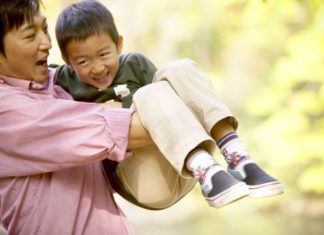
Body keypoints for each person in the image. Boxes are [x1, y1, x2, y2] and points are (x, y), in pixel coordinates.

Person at [53, 0, 284, 210]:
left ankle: (237, 157)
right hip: (137, 177)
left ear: (119, 44)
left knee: (178, 68)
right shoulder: (62, 80)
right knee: (148, 94)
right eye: (83, 61)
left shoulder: (135, 65)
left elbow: (170, 104)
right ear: (68, 62)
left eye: (104, 54)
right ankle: (204, 166)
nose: (97, 67)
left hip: (181, 167)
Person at [0, 0, 155, 234]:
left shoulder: (61, 82)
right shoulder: (6, 111)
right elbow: (125, 128)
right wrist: (182, 113)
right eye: (30, 36)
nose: (47, 43)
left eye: (44, 29)